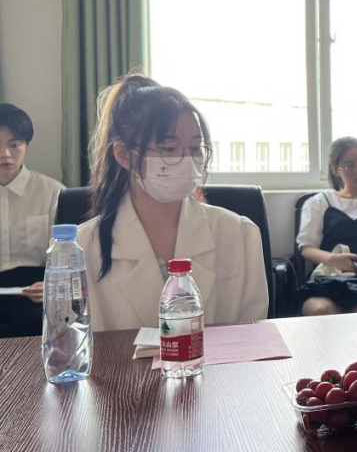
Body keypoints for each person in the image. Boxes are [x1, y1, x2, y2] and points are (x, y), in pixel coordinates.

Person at [78, 75, 268, 332]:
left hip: (218, 361)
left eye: (195, 148)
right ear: (124, 155)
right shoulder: (84, 246)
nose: (186, 160)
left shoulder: (239, 233)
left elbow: (253, 336)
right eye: (169, 148)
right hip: (120, 361)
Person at [296, 137, 357, 315]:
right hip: (328, 282)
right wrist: (333, 259)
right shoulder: (320, 202)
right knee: (321, 310)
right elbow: (306, 248)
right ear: (337, 171)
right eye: (350, 165)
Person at [0, 103, 64, 337]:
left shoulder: (53, 193)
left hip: (35, 288)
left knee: (38, 321)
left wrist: (52, 285)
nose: (5, 154)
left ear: (26, 144)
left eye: (14, 144)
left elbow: (69, 254)